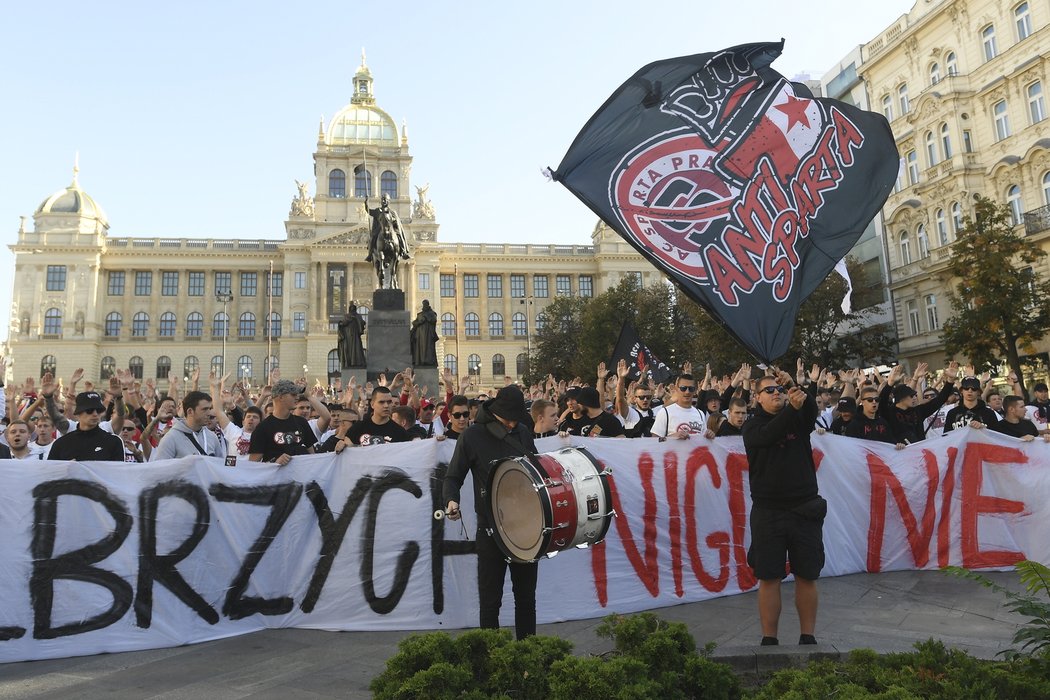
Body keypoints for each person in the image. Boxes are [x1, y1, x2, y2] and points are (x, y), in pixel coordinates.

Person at [443, 385, 539, 640]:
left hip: (526, 528)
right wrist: (451, 501)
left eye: (516, 417)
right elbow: (452, 477)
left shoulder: (523, 432)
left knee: (526, 599)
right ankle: (491, 656)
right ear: (496, 412)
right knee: (490, 601)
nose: (512, 423)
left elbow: (538, 473)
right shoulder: (472, 436)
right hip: (491, 528)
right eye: (508, 417)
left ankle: (528, 654)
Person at [742, 372, 824, 647]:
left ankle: (808, 635)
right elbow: (771, 434)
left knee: (807, 574)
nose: (776, 393)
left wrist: (793, 386)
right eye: (769, 390)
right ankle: (769, 638)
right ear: (757, 398)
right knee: (769, 576)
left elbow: (810, 408)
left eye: (779, 389)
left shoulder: (799, 416)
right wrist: (793, 408)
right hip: (769, 511)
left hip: (805, 508)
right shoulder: (752, 426)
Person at [249, 380, 317, 465]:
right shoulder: (262, 428)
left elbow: (313, 457)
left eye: (297, 394)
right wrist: (274, 463)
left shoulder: (301, 422)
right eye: (293, 394)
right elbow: (252, 465)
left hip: (301, 476)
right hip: (276, 477)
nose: (297, 397)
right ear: (281, 397)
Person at [48, 392, 126, 461]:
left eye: (98, 410)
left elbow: (118, 473)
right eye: (89, 410)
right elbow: (51, 473)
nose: (95, 414)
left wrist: (118, 398)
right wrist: (66, 469)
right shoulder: (61, 444)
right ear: (78, 413)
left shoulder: (113, 442)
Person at [151, 391, 227, 461]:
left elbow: (219, 467)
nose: (209, 413)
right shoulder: (171, 438)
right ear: (190, 411)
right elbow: (160, 470)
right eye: (205, 409)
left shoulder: (212, 437)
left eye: (210, 408)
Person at [345, 386, 411, 446]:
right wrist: (343, 445)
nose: (386, 406)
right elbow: (348, 444)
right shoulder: (358, 428)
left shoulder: (400, 432)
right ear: (372, 404)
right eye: (381, 402)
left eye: (389, 402)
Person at [651, 374, 705, 439]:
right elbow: (654, 442)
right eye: (683, 388)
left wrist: (709, 436)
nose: (687, 392)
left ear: (695, 390)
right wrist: (672, 437)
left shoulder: (700, 414)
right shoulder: (665, 412)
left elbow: (704, 442)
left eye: (691, 389)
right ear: (676, 388)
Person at [364, 192, 410, 262]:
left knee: (399, 236)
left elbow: (396, 222)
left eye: (385, 200)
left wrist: (395, 224)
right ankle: (370, 255)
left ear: (388, 201)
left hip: (391, 229)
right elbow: (369, 211)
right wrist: (366, 203)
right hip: (380, 228)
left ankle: (403, 251)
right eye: (382, 199)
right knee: (373, 237)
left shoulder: (392, 212)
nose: (383, 201)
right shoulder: (378, 211)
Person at [337, 303, 367, 368]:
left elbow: (343, 323)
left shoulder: (347, 316)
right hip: (353, 337)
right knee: (355, 349)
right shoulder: (358, 316)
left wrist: (340, 324)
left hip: (349, 337)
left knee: (350, 350)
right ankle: (355, 363)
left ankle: (350, 363)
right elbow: (362, 324)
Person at [410, 301, 439, 366]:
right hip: (420, 336)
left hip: (428, 336)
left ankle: (429, 362)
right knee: (420, 350)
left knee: (429, 349)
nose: (424, 306)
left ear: (428, 305)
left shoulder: (432, 313)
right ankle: (420, 362)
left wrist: (426, 318)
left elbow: (433, 320)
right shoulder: (420, 314)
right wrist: (419, 322)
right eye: (423, 304)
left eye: (425, 304)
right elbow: (414, 323)